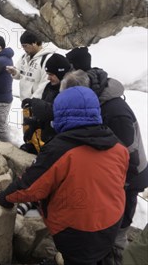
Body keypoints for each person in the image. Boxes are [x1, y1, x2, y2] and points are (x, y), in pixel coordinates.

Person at [0, 86, 129, 265]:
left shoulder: (61, 149)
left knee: (77, 257)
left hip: (77, 231)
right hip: (112, 222)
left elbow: (30, 187)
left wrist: (5, 198)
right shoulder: (117, 146)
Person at [62, 50, 148, 263]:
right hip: (115, 178)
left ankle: (118, 258)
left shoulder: (115, 112)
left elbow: (128, 156)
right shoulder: (98, 102)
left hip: (130, 178)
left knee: (118, 230)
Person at [19, 54, 72, 154]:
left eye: (51, 74)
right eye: (47, 74)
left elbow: (57, 112)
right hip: (48, 139)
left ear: (61, 73)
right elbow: (47, 111)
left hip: (63, 144)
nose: (48, 78)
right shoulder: (50, 86)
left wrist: (35, 103)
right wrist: (34, 123)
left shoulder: (72, 90)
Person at [7, 31, 56, 100]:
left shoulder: (47, 59)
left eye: (25, 46)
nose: (24, 49)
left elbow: (45, 83)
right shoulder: (24, 57)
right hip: (24, 101)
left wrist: (33, 101)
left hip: (37, 102)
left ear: (35, 43)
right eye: (22, 46)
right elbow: (19, 73)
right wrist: (14, 72)